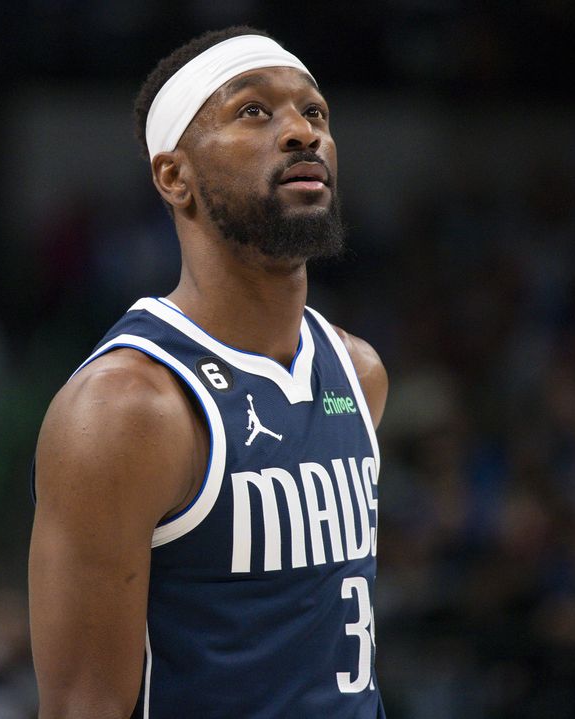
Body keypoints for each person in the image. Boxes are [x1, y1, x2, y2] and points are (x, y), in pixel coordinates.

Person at [28, 26, 388, 719]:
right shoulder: (125, 410)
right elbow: (81, 707)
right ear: (174, 177)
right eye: (254, 111)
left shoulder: (358, 372)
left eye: (315, 112)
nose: (302, 132)